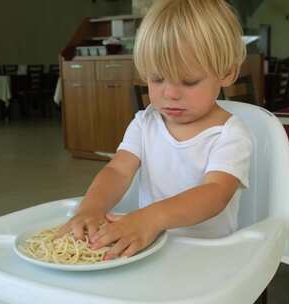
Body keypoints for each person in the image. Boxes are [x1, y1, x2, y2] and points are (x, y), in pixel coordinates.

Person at [57, 0, 252, 260]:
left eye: (189, 81)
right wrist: (91, 207)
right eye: (157, 78)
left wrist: (152, 218)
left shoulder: (229, 134)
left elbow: (215, 194)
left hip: (207, 258)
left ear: (226, 73)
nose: (170, 93)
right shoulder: (145, 122)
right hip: (147, 248)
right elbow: (117, 169)